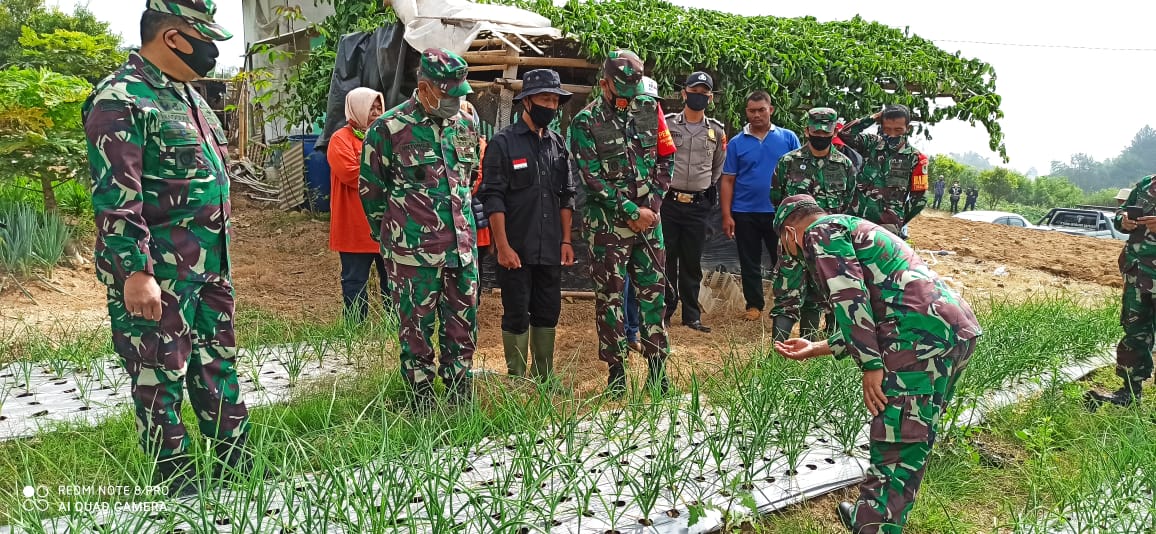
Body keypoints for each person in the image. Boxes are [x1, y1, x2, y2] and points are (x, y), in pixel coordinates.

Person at [82, 0, 248, 495]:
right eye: (205, 38)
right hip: (160, 274)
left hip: (208, 267)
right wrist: (136, 271)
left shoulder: (188, 98)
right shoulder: (121, 98)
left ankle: (236, 474)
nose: (212, 50)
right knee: (160, 377)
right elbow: (116, 195)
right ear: (173, 37)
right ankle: (177, 488)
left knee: (218, 365)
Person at [772, 194, 981, 534]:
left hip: (917, 342)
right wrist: (818, 347)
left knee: (897, 444)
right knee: (914, 438)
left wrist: (871, 366)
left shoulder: (819, 233)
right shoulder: (849, 226)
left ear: (789, 232)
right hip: (949, 332)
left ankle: (873, 527)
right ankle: (876, 520)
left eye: (783, 242)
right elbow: (879, 304)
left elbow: (850, 298)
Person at [360, 47, 481, 410]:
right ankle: (422, 403)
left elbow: (467, 178)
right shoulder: (389, 128)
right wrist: (398, 236)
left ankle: (460, 401)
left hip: (461, 250)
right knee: (416, 331)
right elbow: (372, 192)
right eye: (449, 94)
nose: (456, 101)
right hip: (412, 253)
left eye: (460, 94)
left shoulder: (466, 124)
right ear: (425, 88)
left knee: (462, 327)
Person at [569, 50, 673, 396]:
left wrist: (653, 205)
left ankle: (658, 371)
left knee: (653, 295)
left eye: (634, 90)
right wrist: (631, 210)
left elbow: (666, 158)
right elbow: (592, 178)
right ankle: (616, 374)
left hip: (650, 223)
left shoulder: (649, 109)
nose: (629, 99)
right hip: (608, 226)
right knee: (610, 299)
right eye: (622, 91)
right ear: (605, 84)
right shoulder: (584, 123)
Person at [478, 69, 577, 383]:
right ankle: (518, 377)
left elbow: (567, 196)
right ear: (527, 102)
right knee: (517, 312)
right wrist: (503, 246)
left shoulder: (558, 145)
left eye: (555, 100)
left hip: (550, 247)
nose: (551, 105)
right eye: (545, 98)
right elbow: (492, 197)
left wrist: (566, 241)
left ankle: (544, 376)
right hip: (516, 249)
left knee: (548, 311)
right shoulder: (502, 144)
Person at [769, 107, 855, 342]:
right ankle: (778, 353)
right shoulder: (788, 162)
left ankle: (807, 346)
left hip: (827, 245)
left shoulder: (844, 165)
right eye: (815, 132)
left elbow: (848, 204)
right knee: (787, 297)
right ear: (806, 130)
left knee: (817, 299)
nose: (819, 137)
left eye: (825, 133)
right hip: (793, 242)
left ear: (833, 132)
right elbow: (777, 198)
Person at [720, 91, 801, 321]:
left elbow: (798, 176)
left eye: (761, 110)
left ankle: (786, 305)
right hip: (745, 212)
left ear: (771, 110)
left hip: (781, 213)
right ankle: (754, 305)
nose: (756, 115)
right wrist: (727, 215)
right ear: (746, 112)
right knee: (749, 260)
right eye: (751, 111)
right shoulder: (737, 143)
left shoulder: (788, 138)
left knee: (785, 261)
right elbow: (727, 180)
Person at [662, 71, 726, 333]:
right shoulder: (667, 125)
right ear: (683, 93)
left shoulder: (716, 130)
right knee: (665, 258)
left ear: (709, 97)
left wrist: (701, 187)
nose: (698, 96)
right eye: (694, 91)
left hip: (698, 206)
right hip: (669, 202)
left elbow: (717, 168)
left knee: (691, 261)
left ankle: (691, 315)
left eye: (703, 93)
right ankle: (664, 312)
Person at [1088, 176, 1156, 407]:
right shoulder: (1146, 184)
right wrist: (1123, 220)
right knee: (1134, 332)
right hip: (1138, 273)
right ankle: (1130, 392)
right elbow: (1121, 215)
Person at [328, 87, 389, 323]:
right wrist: (385, 173)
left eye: (379, 107)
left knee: (391, 282)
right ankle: (355, 330)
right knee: (354, 281)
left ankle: (393, 329)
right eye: (370, 107)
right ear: (356, 109)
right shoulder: (340, 139)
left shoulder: (385, 137)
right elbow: (350, 174)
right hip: (353, 225)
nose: (375, 112)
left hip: (384, 224)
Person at [838, 105, 929, 236]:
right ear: (881, 127)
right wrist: (873, 118)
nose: (892, 134)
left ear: (907, 129)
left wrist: (898, 220)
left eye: (898, 130)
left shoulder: (917, 159)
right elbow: (844, 134)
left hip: (886, 227)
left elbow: (919, 199)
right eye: (887, 129)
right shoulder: (871, 144)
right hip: (854, 219)